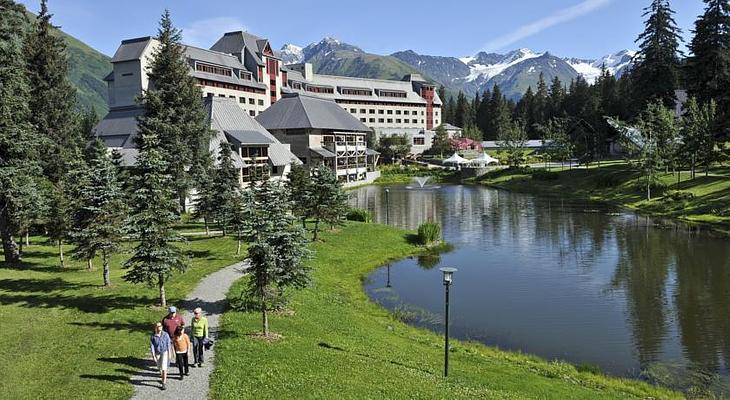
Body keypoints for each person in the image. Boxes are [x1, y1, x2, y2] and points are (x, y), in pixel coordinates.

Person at [150, 322, 172, 390]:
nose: (160, 327)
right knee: (159, 366)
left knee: (164, 368)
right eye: (158, 326)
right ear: (155, 328)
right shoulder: (153, 336)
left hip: (164, 352)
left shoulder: (165, 334)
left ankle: (163, 383)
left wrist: (170, 352)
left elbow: (168, 343)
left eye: (160, 326)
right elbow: (152, 346)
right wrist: (153, 355)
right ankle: (162, 376)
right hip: (157, 353)